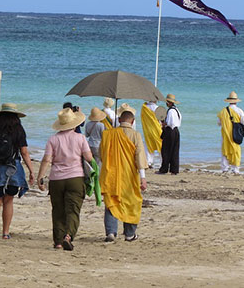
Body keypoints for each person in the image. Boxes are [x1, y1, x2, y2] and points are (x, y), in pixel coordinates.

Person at [37, 108, 93, 251]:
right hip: (75, 178)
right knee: (73, 210)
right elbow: (88, 158)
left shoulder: (53, 139)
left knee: (58, 210)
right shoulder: (80, 138)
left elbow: (46, 160)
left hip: (56, 179)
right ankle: (68, 236)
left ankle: (58, 242)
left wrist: (40, 177)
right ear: (74, 124)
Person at [0, 103, 35, 240]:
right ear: (16, 116)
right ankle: (5, 233)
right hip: (13, 169)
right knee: (8, 201)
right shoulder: (18, 129)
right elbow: (24, 152)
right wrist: (31, 171)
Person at [100, 107, 148, 242]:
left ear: (119, 120)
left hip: (112, 173)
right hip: (129, 175)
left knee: (111, 201)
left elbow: (102, 154)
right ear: (132, 122)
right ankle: (129, 234)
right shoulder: (135, 135)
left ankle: (111, 232)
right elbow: (139, 156)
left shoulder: (108, 134)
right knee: (132, 202)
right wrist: (143, 178)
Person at [217, 91, 244, 174]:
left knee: (225, 149)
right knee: (236, 150)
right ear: (236, 101)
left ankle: (224, 168)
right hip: (235, 134)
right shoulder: (239, 111)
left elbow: (219, 123)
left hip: (225, 133)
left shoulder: (223, 111)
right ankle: (235, 168)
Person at [156, 94, 182, 175]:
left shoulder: (170, 111)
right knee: (174, 151)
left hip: (170, 131)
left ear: (169, 102)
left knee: (166, 151)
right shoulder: (177, 110)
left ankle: (164, 169)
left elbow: (170, 123)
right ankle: (174, 170)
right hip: (176, 131)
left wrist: (164, 124)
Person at [141, 100, 162, 168]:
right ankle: (162, 162)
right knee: (160, 145)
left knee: (148, 145)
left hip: (147, 129)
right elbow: (160, 119)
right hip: (156, 129)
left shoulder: (144, 108)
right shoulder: (156, 108)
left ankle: (148, 162)